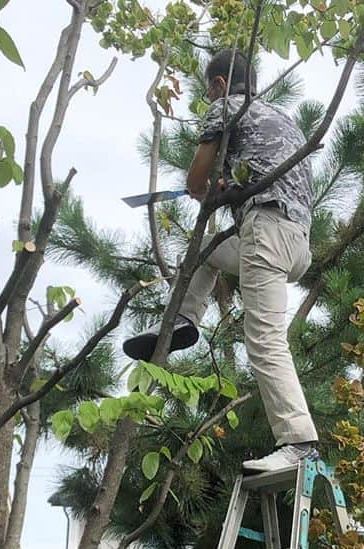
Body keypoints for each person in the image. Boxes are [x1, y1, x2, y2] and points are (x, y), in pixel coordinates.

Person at [123, 48, 319, 473]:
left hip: (267, 230)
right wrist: (231, 184)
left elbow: (196, 180)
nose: (210, 99)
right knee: (208, 250)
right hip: (297, 242)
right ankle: (184, 319)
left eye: (210, 91)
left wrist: (207, 186)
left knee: (265, 340)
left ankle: (299, 440)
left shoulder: (226, 107)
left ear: (219, 85)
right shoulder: (282, 119)